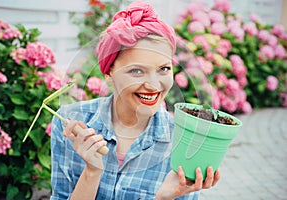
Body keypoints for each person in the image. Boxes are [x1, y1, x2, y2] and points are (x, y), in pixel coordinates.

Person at [50, 1, 220, 199]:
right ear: (109, 72)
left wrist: (163, 198)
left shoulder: (182, 142)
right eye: (137, 71)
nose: (154, 85)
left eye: (163, 69)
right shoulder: (72, 122)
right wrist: (92, 172)